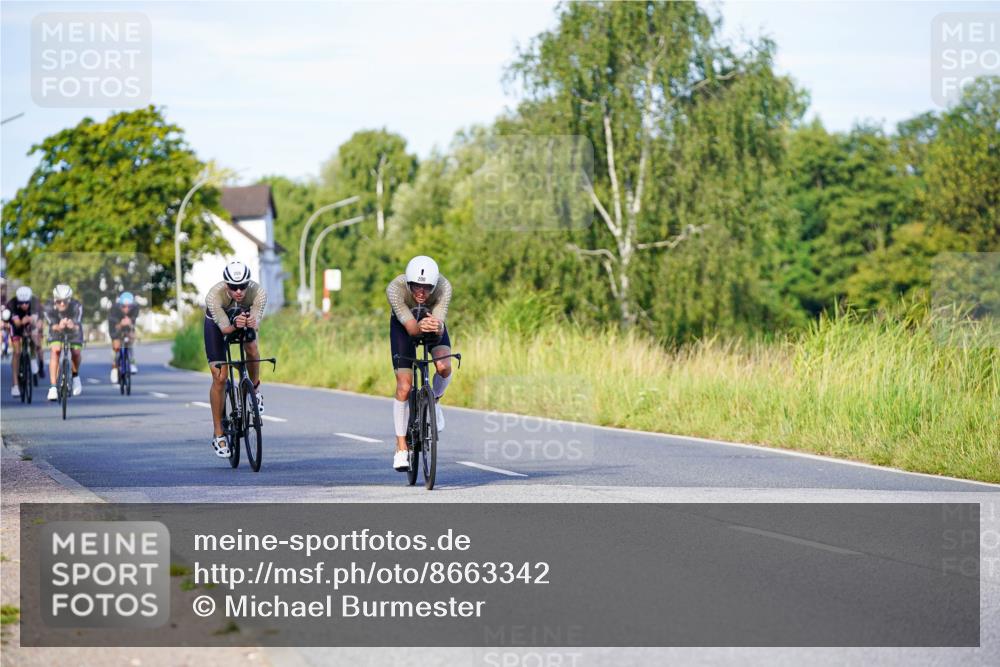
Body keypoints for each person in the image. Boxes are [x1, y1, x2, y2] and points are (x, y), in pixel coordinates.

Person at [386, 255, 453, 471]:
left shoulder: (444, 287)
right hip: (404, 327)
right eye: (416, 286)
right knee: (404, 386)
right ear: (408, 283)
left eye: (426, 288)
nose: (421, 293)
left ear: (434, 285)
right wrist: (419, 326)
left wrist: (437, 326)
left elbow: (440, 324)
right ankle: (401, 446)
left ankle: (434, 401)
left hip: (432, 323)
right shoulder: (395, 289)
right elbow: (412, 330)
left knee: (444, 367)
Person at [203, 261, 267, 458]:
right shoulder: (214, 296)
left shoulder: (259, 293)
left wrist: (248, 322)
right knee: (220, 377)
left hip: (242, 319)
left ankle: (254, 389)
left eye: (243, 286)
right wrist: (234, 324)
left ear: (248, 283)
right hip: (217, 325)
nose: (239, 291)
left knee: (252, 347)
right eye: (233, 287)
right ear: (226, 284)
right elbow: (224, 330)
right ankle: (218, 434)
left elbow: (254, 324)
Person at [43, 284, 84, 400]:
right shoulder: (48, 306)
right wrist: (59, 326)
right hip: (56, 329)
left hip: (73, 330)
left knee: (76, 352)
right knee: (56, 350)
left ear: (69, 300)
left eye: (65, 301)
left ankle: (75, 376)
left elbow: (77, 325)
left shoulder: (77, 306)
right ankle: (53, 387)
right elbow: (52, 324)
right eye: (59, 301)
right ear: (55, 300)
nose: (62, 304)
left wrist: (72, 325)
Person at [6, 286, 44, 396]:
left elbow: (40, 322)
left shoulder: (35, 302)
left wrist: (36, 324)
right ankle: (15, 385)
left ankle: (33, 358)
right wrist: (25, 320)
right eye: (21, 303)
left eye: (26, 303)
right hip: (16, 326)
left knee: (35, 337)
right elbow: (17, 323)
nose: (24, 305)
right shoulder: (12, 304)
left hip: (30, 324)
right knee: (17, 352)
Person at [108, 291, 140, 383]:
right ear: (120, 305)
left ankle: (131, 361)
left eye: (129, 306)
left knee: (131, 337)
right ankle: (114, 368)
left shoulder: (135, 308)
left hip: (128, 324)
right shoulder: (114, 309)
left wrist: (130, 325)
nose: (126, 309)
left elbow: (133, 321)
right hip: (115, 325)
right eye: (124, 306)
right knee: (116, 346)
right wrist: (120, 324)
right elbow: (114, 326)